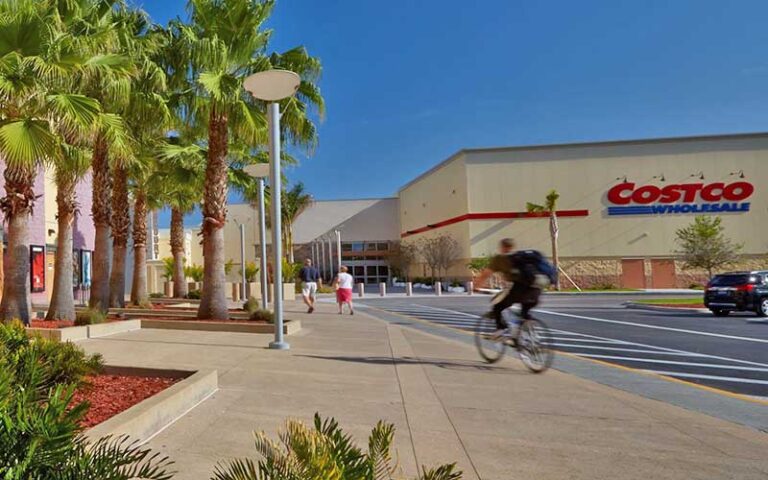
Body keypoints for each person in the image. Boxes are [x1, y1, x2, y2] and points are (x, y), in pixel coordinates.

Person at [474, 238, 550, 337]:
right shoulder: (523, 258)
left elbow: (485, 274)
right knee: (524, 312)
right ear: (513, 247)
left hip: (520, 288)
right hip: (537, 289)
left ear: (502, 247)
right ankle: (530, 339)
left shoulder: (500, 259)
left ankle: (501, 329)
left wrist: (476, 287)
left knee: (497, 307)